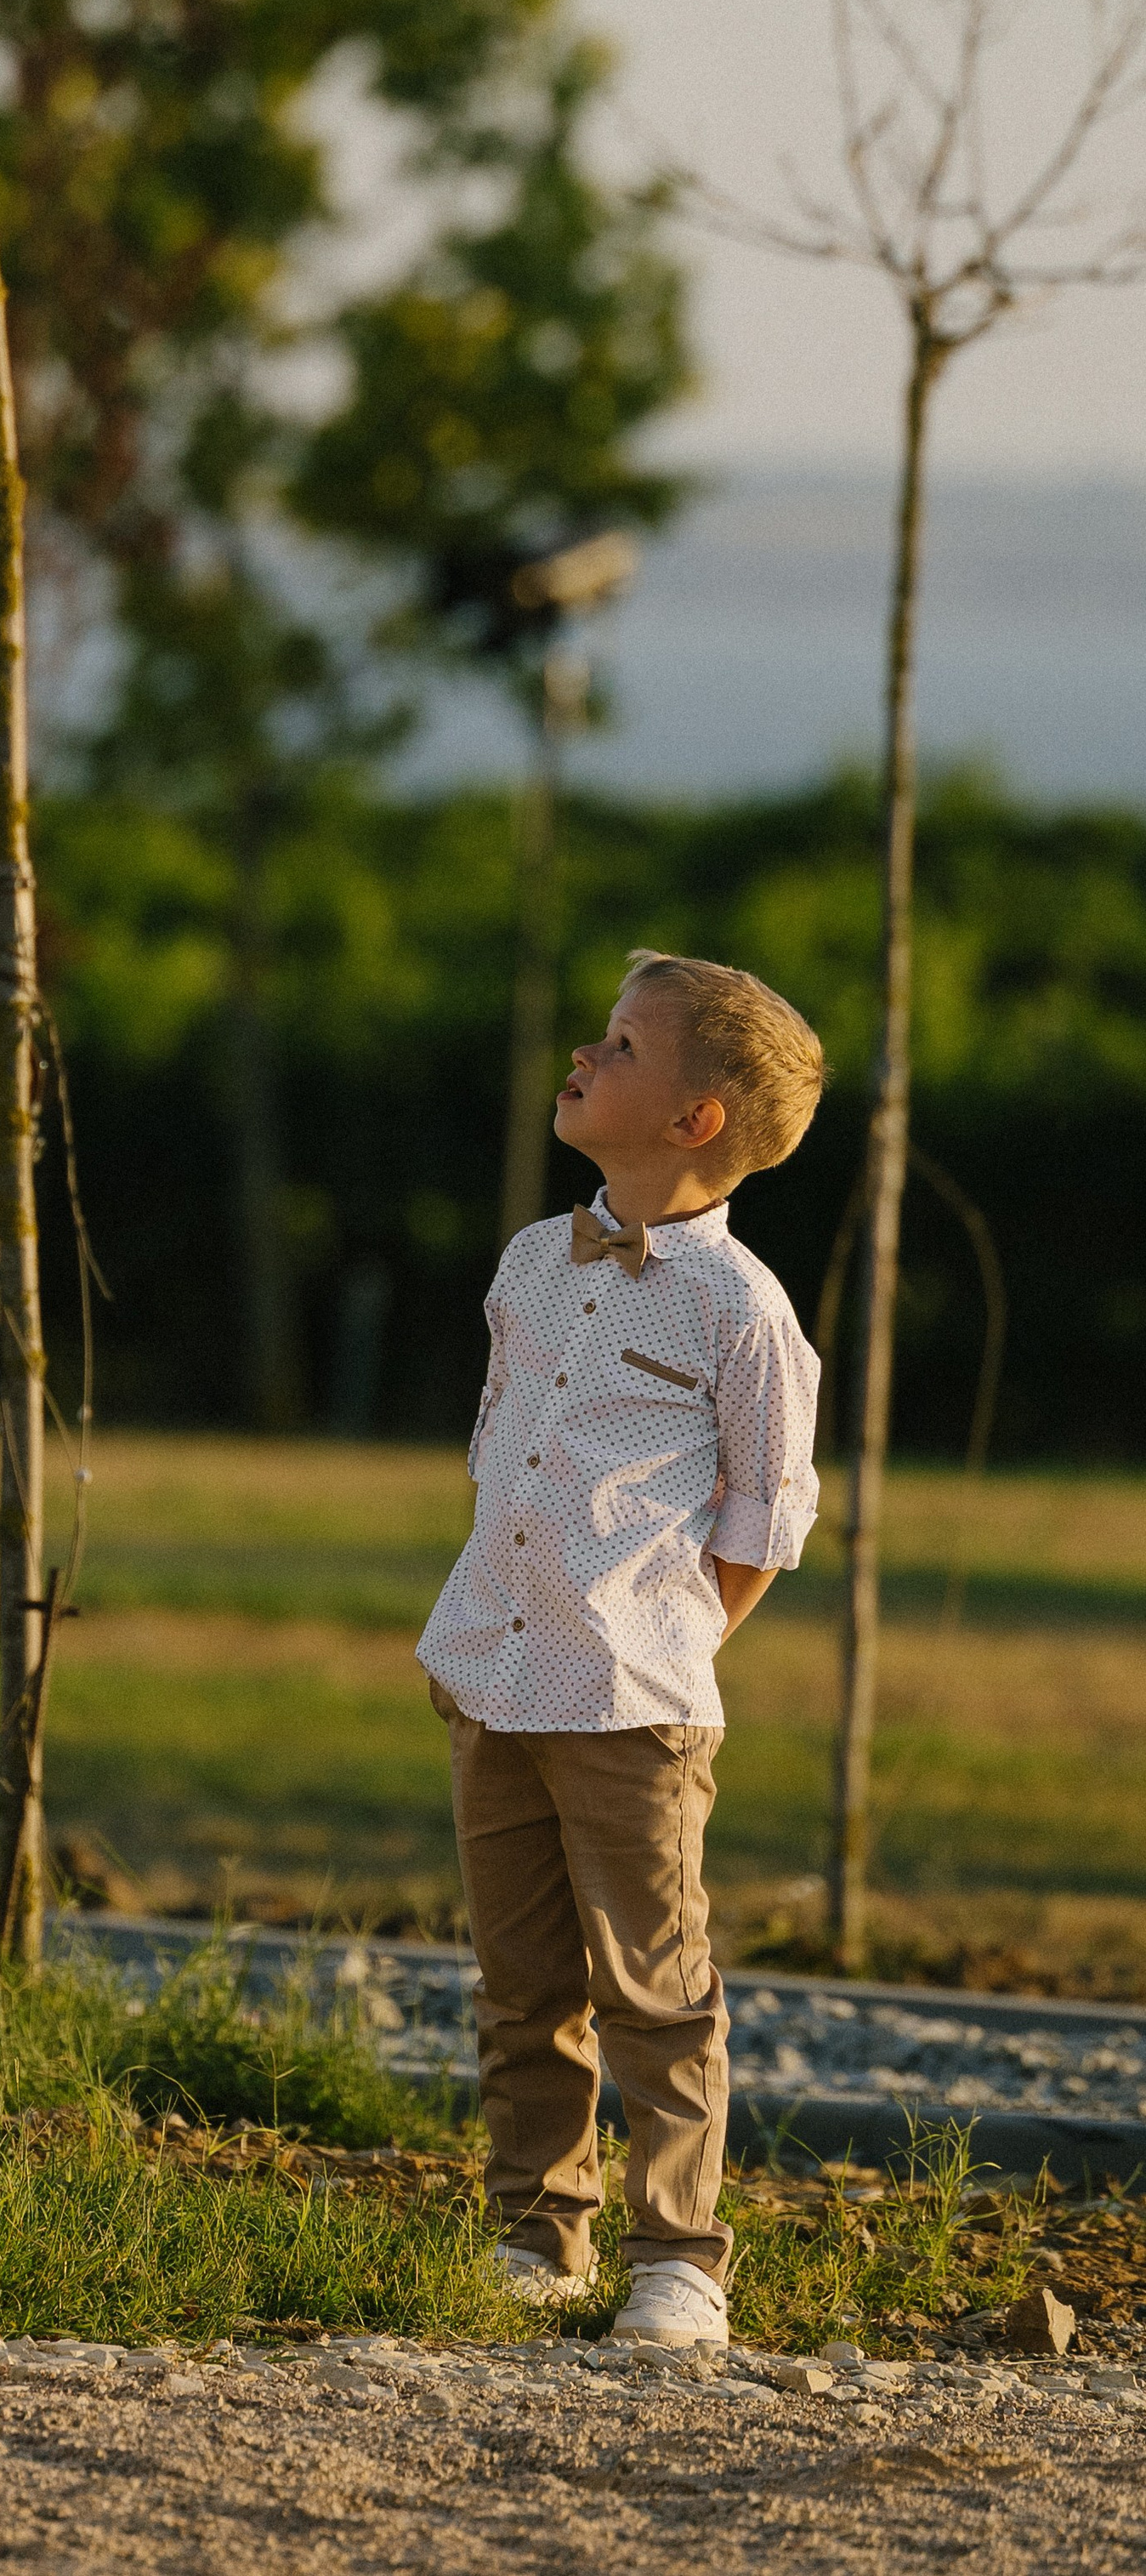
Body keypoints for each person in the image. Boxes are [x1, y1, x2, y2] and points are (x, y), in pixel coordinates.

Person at [419, 949, 825, 2350]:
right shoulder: (535, 1258)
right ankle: (540, 2231)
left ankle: (681, 2259)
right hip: (491, 1673)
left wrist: (658, 1645)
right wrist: (486, 1628)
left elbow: (761, 1526)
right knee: (523, 1982)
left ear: (694, 1119)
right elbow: (500, 1454)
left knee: (654, 1988)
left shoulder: (743, 1312)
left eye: (620, 1047)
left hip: (631, 1699)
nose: (583, 1062)